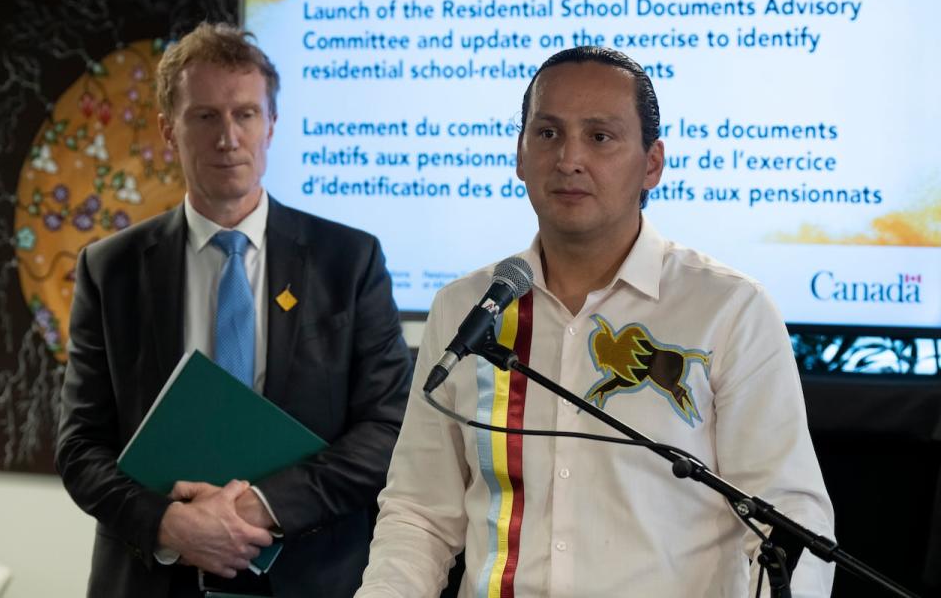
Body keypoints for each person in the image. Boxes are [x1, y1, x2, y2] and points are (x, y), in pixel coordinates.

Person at [355, 46, 835, 597]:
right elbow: (419, 513)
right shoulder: (470, 308)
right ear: (519, 154)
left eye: (600, 137)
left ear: (652, 162)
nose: (568, 159)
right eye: (548, 134)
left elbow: (790, 524)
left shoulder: (729, 310)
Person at [56, 22, 412, 598]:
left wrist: (258, 507)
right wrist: (168, 523)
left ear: (271, 125)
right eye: (205, 116)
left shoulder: (349, 261)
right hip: (154, 577)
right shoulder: (111, 269)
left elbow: (388, 427)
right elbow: (80, 446)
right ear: (168, 130)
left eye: (245, 114)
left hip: (310, 573)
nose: (228, 137)